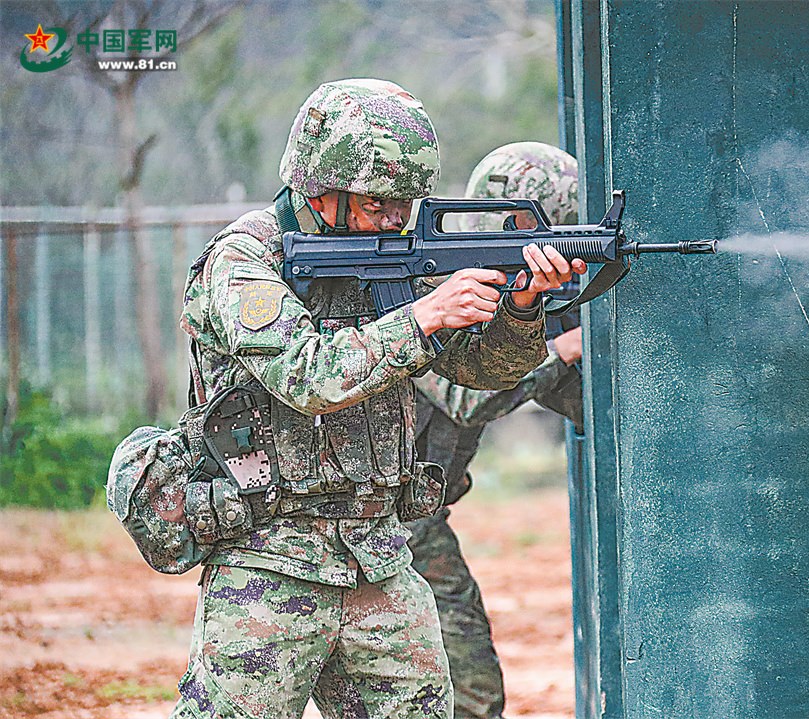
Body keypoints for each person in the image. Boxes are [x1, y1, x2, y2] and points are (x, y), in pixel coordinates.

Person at [171, 82, 584, 719]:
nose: (395, 219)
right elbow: (310, 377)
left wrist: (523, 306)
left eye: (405, 204)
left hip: (378, 555)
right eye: (377, 203)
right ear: (320, 187)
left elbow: (482, 372)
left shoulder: (391, 256)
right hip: (268, 559)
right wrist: (425, 316)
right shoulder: (246, 260)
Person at [406, 142, 585, 719]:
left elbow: (570, 399)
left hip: (414, 522)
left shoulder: (512, 297)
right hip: (376, 523)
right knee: (466, 695)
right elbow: (464, 397)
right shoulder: (433, 288)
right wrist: (561, 348)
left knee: (471, 696)